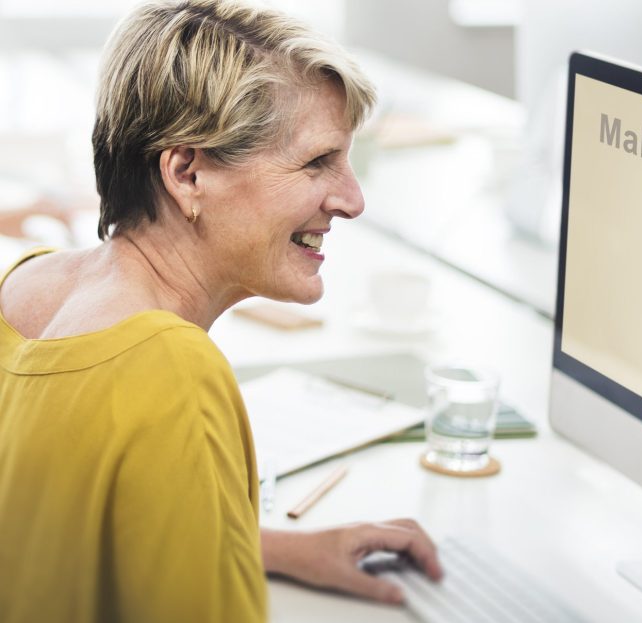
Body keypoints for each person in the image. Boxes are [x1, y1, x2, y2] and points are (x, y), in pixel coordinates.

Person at [0, 2, 442, 621]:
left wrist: (270, 548)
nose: (352, 199)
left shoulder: (25, 287)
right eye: (317, 161)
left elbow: (52, 541)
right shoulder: (168, 368)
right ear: (187, 174)